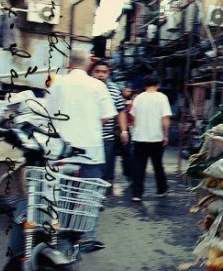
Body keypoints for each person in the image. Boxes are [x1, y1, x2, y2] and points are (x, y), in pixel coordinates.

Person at [46, 48, 117, 252]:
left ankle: (60, 233)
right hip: (90, 150)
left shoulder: (56, 83)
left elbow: (47, 114)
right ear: (88, 64)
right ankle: (87, 236)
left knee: (62, 194)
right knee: (89, 194)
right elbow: (106, 117)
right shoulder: (97, 85)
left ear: (68, 64)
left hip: (61, 151)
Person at [127, 75, 172, 202]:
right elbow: (165, 118)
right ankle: (161, 189)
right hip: (156, 137)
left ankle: (137, 194)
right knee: (158, 165)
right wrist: (166, 134)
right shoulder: (162, 97)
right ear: (158, 85)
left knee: (139, 166)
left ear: (144, 85)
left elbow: (133, 117)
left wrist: (136, 130)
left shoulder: (138, 98)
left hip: (139, 137)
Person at [89, 60, 128, 193]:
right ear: (92, 72)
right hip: (87, 136)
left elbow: (121, 111)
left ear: (109, 74)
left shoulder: (114, 90)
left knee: (104, 168)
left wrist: (124, 131)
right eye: (97, 71)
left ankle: (100, 195)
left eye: (104, 72)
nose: (101, 75)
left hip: (107, 137)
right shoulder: (86, 87)